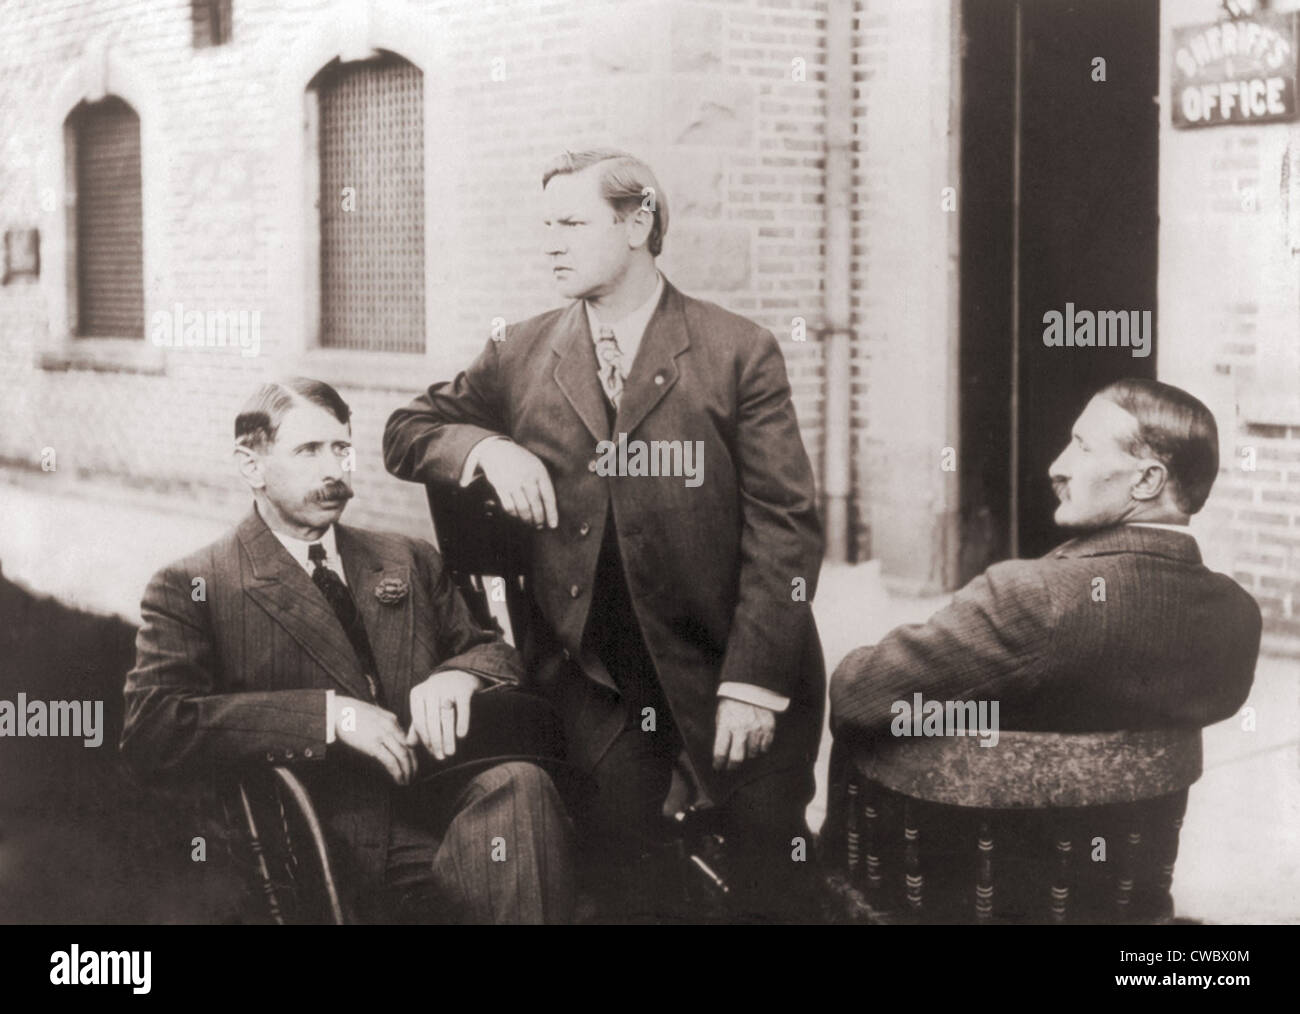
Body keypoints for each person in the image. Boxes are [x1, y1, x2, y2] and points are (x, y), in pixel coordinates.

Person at [383, 149, 825, 921]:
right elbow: (408, 430)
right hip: (599, 682)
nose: (549, 242)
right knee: (621, 874)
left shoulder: (737, 352)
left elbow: (785, 525)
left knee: (769, 872)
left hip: (726, 663)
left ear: (638, 222)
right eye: (545, 225)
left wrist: (754, 684)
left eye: (571, 223)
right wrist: (486, 447)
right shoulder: (521, 351)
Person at [121, 377, 574, 924]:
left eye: (341, 448)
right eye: (308, 450)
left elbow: (490, 649)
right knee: (532, 883)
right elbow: (155, 726)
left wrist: (461, 675)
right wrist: (327, 717)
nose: (333, 469)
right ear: (251, 465)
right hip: (324, 838)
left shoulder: (404, 557)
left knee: (522, 785)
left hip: (442, 798)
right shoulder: (196, 584)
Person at [828, 379, 1261, 920]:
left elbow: (856, 693)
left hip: (964, 892)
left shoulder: (1034, 599)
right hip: (1118, 895)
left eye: (1082, 447)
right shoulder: (1237, 619)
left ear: (1148, 479)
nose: (1057, 466)